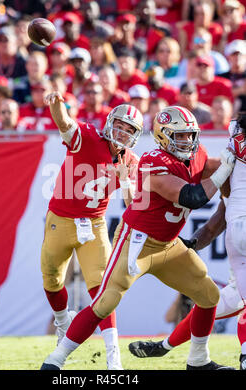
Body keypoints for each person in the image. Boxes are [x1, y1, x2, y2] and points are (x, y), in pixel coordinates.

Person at [41, 105, 236, 370]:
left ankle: (198, 360)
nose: (187, 141)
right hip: (138, 242)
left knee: (209, 295)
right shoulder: (153, 161)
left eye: (190, 135)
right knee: (104, 302)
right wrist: (226, 168)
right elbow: (193, 197)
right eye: (180, 136)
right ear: (164, 136)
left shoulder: (196, 155)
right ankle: (56, 359)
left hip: (169, 245)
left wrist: (236, 169)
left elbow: (214, 170)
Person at [128, 112, 246, 370]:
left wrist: (191, 244)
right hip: (238, 228)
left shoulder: (228, 157)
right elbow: (210, 212)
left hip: (236, 235)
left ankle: (166, 347)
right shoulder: (224, 165)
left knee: (217, 298)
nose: (186, 140)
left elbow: (218, 221)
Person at [39, 90, 143, 370]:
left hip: (94, 225)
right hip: (60, 219)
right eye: (119, 125)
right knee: (51, 281)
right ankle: (63, 323)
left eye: (128, 129)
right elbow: (64, 123)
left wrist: (125, 182)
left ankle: (113, 357)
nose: (121, 132)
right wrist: (57, 104)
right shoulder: (87, 137)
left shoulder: (130, 160)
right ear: (110, 122)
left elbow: (133, 204)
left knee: (103, 290)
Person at [221, 39, 246, 113]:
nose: (237, 57)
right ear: (228, 57)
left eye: (240, 54)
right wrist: (241, 90)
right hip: (226, 115)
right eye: (234, 54)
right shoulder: (221, 77)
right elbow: (219, 95)